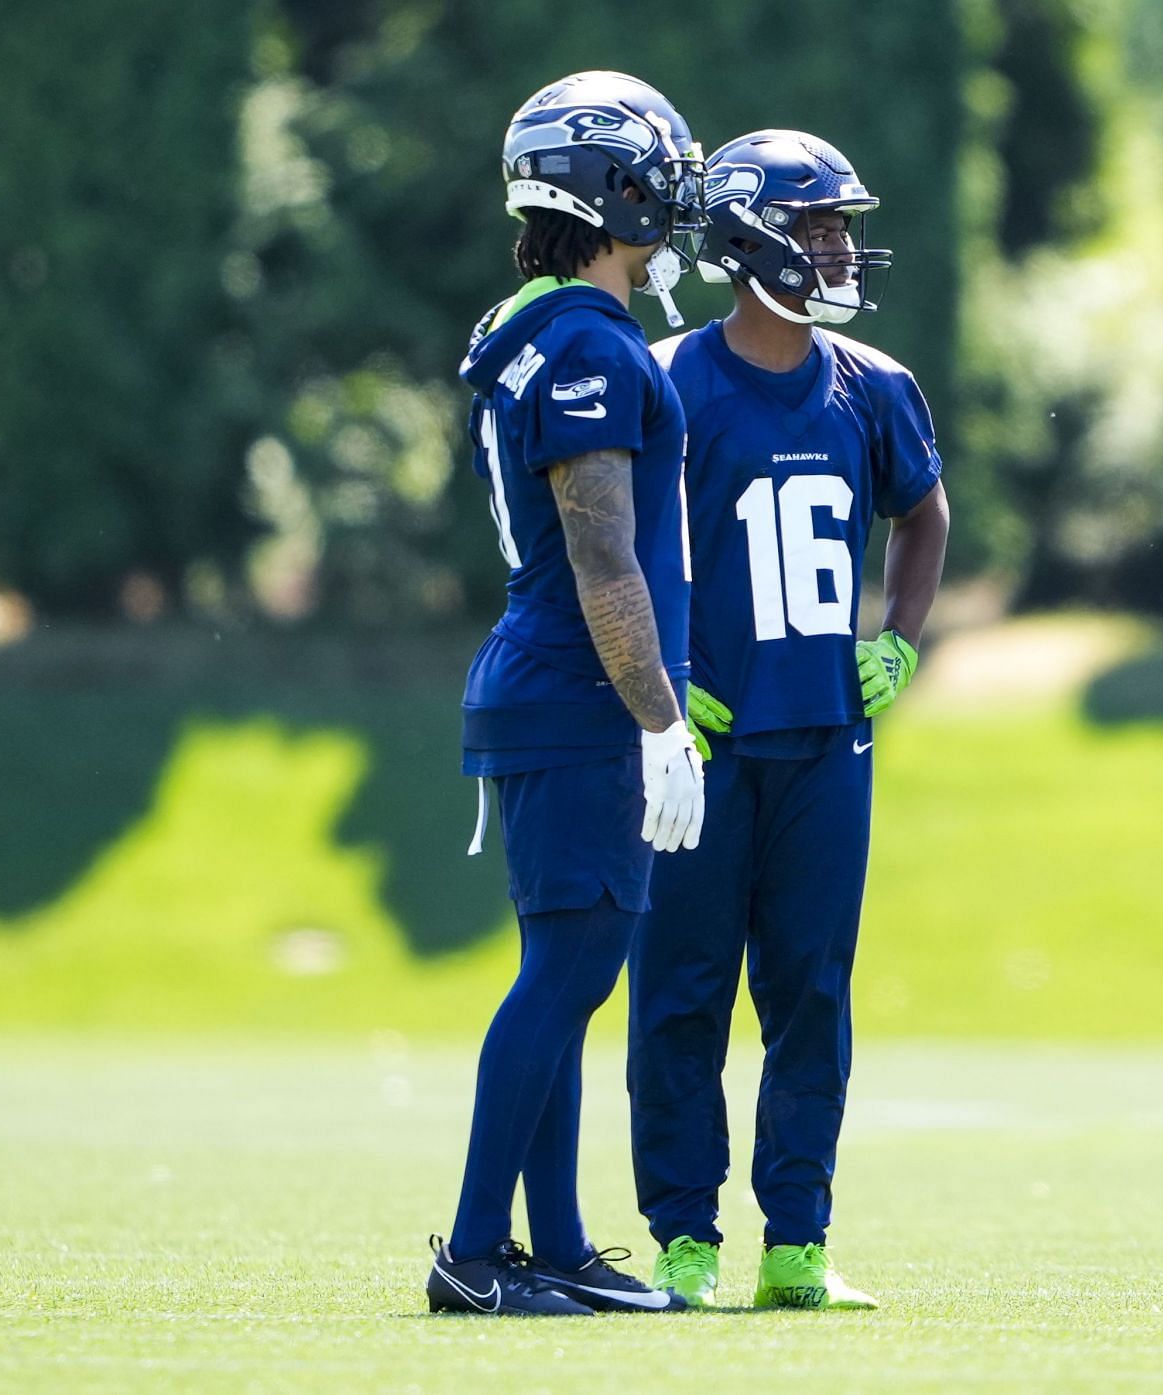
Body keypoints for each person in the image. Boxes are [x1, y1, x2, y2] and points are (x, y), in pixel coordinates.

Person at [624, 129, 950, 1310]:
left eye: (841, 227)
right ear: (750, 237)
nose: (839, 247)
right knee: (681, 992)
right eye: (816, 227)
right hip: (702, 748)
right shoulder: (669, 379)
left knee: (810, 993)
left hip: (826, 741)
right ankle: (683, 1238)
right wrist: (663, 679)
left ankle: (798, 1240)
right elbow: (614, 550)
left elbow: (925, 514)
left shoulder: (877, 383)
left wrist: (898, 637)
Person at [425, 70, 709, 1317]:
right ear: (611, 189)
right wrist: (658, 718)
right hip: (576, 688)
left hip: (543, 677)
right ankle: (476, 1253)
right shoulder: (588, 339)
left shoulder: (537, 317)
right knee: (569, 974)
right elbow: (603, 554)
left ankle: (558, 1246)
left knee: (569, 969)